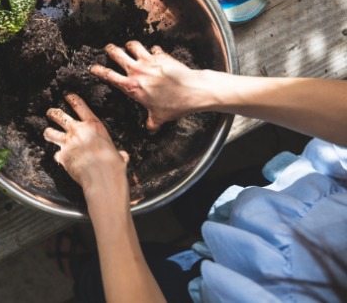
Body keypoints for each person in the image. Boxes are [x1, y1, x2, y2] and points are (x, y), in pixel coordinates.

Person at [43, 40, 347, 303]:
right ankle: (189, 214)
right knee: (199, 202)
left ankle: (82, 269)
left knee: (99, 277)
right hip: (292, 196)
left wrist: (104, 187)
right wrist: (199, 88)